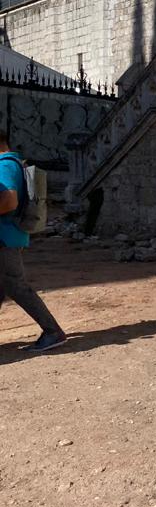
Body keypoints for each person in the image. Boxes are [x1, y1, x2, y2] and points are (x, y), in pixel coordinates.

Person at [0, 129, 66, 352]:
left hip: (5, 237)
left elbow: (9, 200)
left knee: (16, 285)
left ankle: (52, 331)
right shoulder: (14, 162)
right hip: (10, 235)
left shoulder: (4, 165)